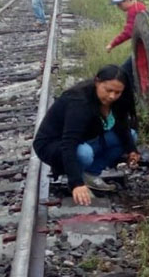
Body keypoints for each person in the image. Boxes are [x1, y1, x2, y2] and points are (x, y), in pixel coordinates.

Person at [33, 65, 140, 206]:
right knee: (84, 153)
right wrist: (76, 183)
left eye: (117, 92)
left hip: (83, 140)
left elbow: (123, 127)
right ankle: (79, 176)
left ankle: (90, 173)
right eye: (108, 90)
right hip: (52, 145)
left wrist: (132, 150)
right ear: (97, 82)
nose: (112, 96)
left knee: (131, 136)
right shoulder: (80, 102)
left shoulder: (117, 100)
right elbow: (68, 143)